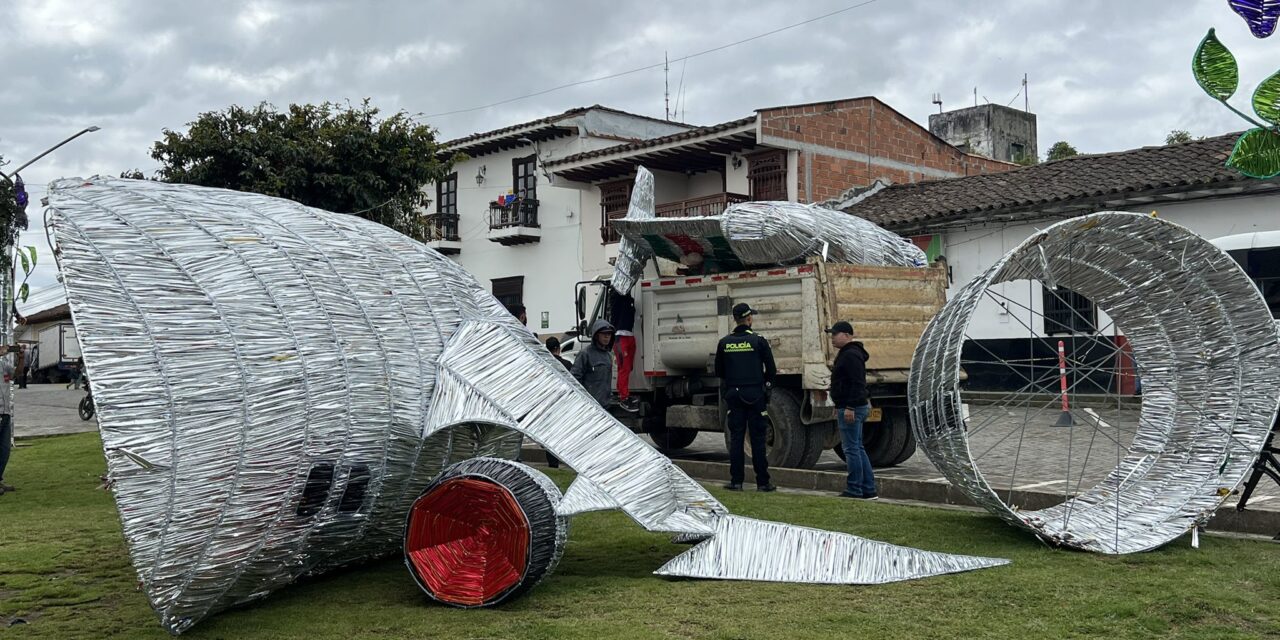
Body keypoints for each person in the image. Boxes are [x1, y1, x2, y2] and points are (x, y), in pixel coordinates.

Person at [714, 303, 777, 492]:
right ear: (749, 319)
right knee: (758, 440)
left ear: (735, 319)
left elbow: (719, 371)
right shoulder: (758, 341)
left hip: (734, 395)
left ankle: (736, 481)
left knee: (736, 439)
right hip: (755, 395)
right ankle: (763, 482)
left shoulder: (725, 342)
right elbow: (772, 370)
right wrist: (766, 387)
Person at [828, 321, 876, 500]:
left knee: (851, 449)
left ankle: (855, 488)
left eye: (835, 334)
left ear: (847, 335)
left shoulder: (850, 355)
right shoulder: (850, 354)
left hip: (852, 407)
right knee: (857, 447)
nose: (832, 338)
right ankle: (868, 488)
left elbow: (857, 383)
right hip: (850, 406)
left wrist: (849, 407)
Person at [570, 320, 615, 409]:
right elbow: (574, 380)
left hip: (605, 405)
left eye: (609, 334)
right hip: (589, 406)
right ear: (596, 335)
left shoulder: (608, 356)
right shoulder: (585, 354)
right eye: (604, 334)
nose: (607, 337)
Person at [542, 336, 571, 469]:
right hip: (563, 403)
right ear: (559, 348)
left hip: (548, 403)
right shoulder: (567, 365)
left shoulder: (543, 364)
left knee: (549, 435)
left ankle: (553, 463)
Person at [609, 288, 639, 413]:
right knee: (624, 368)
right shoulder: (616, 297)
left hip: (629, 336)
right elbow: (615, 296)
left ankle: (623, 393)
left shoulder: (628, 299)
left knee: (628, 367)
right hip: (620, 337)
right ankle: (623, 397)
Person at [0, 349, 15, 496]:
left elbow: (15, 374)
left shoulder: (3, 363)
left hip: (5, 412)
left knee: (4, 449)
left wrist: (21, 357)